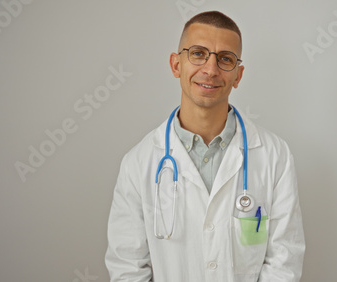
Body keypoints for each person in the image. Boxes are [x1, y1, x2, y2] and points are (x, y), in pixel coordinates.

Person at [105, 11, 305, 282]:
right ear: (176, 65)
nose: (211, 70)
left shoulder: (275, 156)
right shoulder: (138, 163)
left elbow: (284, 260)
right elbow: (127, 267)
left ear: (238, 75)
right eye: (198, 54)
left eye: (225, 59)